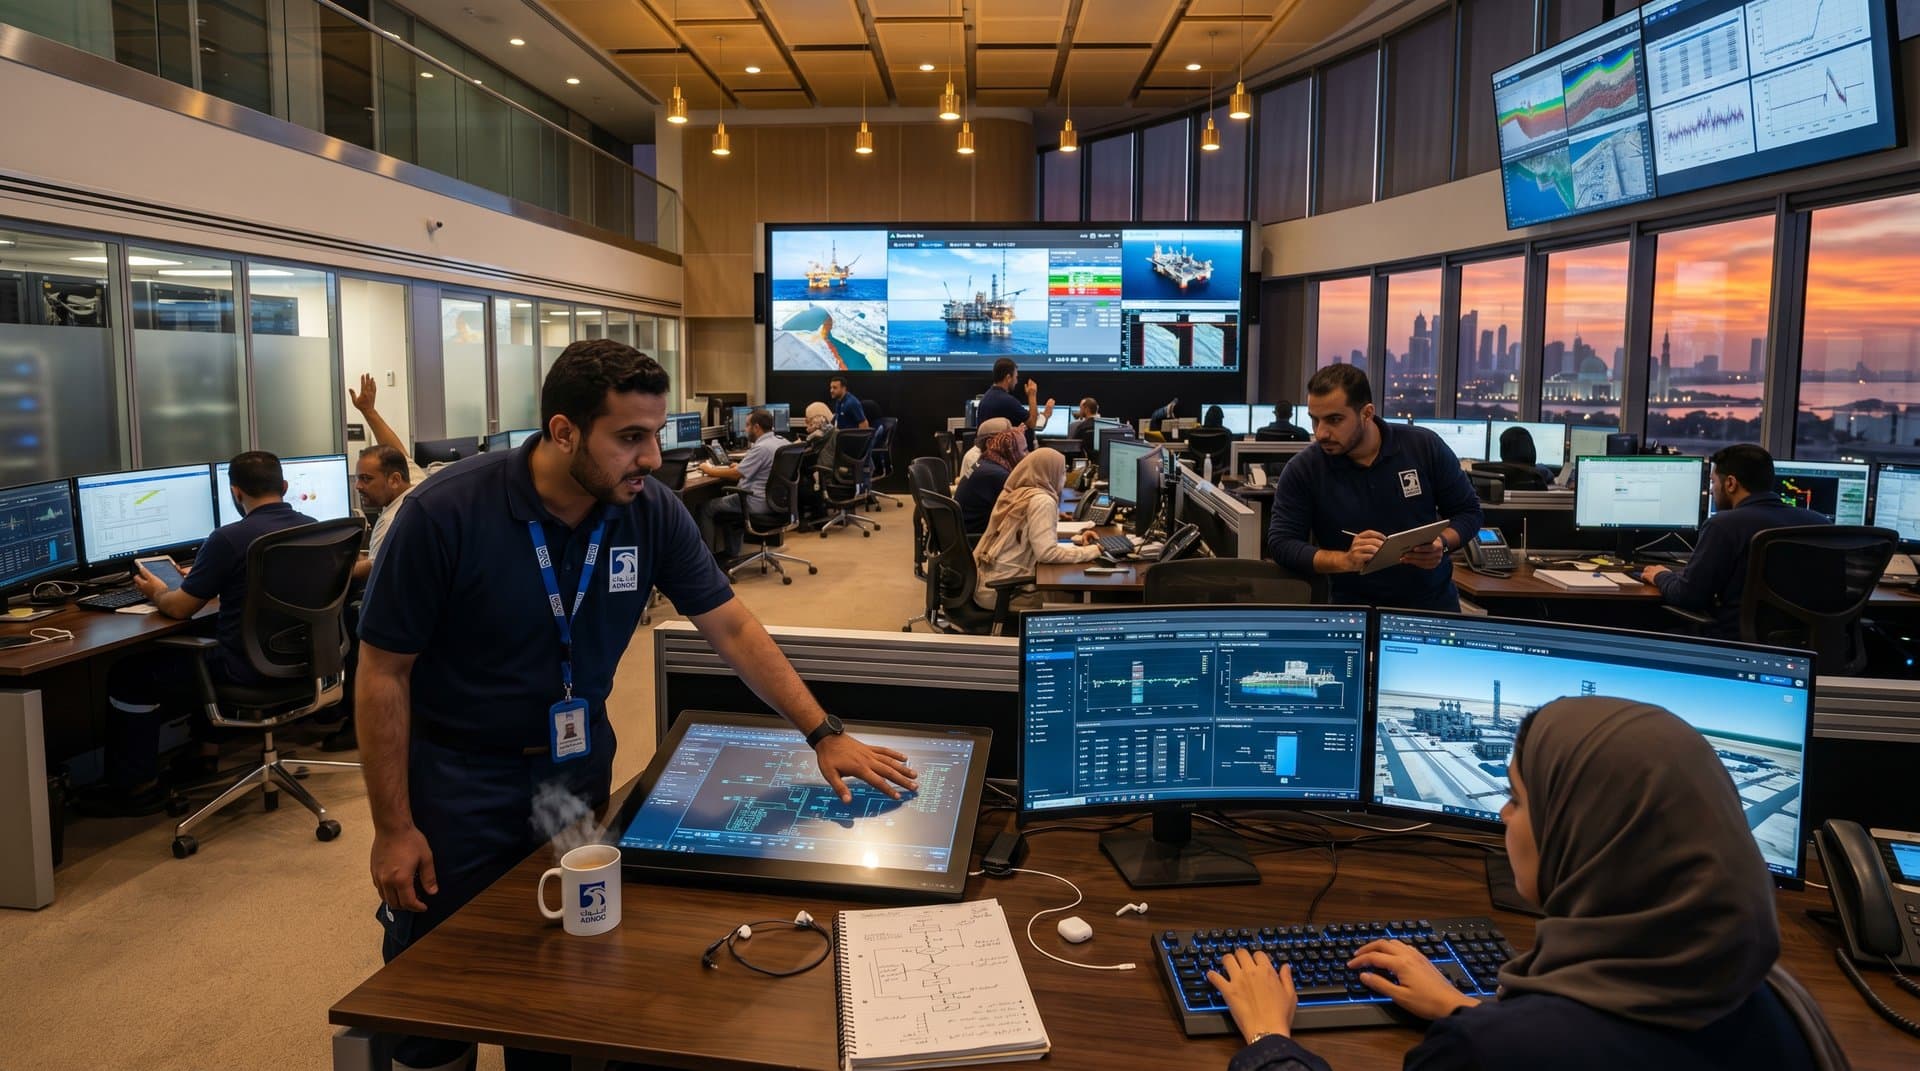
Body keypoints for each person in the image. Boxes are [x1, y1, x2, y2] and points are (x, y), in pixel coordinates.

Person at [357, 339, 916, 1070]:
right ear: (563, 432)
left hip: (575, 770)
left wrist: (822, 730)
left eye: (654, 434)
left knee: (569, 974)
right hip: (456, 778)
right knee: (435, 996)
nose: (653, 457)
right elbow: (380, 675)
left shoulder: (647, 510)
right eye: (629, 438)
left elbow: (734, 627)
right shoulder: (443, 513)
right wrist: (393, 826)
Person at [1209, 695, 1812, 1071]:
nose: (1501, 816)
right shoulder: (1775, 1001)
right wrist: (1465, 1007)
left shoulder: (1489, 1055)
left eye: (1519, 800)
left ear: (1581, 837)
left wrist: (1269, 1038)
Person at [99, 452, 321, 808]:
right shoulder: (314, 527)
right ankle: (205, 753)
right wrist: (209, 577)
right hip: (306, 661)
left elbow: (179, 609)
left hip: (245, 670)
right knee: (216, 638)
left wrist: (156, 589)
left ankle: (135, 788)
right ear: (284, 487)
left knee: (129, 674)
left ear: (235, 492)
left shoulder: (227, 539)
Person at [1267, 364, 1482, 612]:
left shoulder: (1423, 446)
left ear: (1367, 413)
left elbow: (1469, 512)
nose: (1321, 433)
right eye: (1314, 420)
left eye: (1334, 419)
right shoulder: (1304, 469)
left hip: (1431, 607)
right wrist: (1345, 560)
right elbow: (1282, 543)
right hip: (1352, 610)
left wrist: (1441, 544)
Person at [1637, 444, 1828, 637]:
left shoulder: (1723, 525)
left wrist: (1661, 575)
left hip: (1736, 643)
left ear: (1730, 483)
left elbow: (1687, 596)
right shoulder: (1821, 523)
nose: (1711, 491)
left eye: (1713, 482)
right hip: (1813, 644)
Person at [973, 448, 1100, 610]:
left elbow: (1030, 534)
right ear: (1048, 473)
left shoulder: (1017, 493)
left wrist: (1075, 536)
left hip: (986, 584)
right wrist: (1092, 551)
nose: (1064, 479)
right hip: (1009, 592)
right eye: (1062, 473)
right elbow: (1047, 553)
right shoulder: (1042, 501)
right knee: (1082, 601)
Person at [695, 407, 783, 562]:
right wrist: (740, 468)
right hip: (777, 502)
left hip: (755, 502)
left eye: (747, 425)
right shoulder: (781, 443)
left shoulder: (761, 448)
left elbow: (736, 475)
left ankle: (706, 561)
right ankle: (731, 552)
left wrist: (709, 469)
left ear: (756, 427)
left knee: (706, 508)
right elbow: (755, 470)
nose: (745, 429)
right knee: (732, 500)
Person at [954, 418, 1023, 536]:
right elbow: (1019, 512)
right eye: (1009, 439)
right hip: (978, 541)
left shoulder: (985, 463)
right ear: (991, 443)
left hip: (969, 536)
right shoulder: (996, 473)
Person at [977, 357, 1053, 441]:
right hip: (1009, 452)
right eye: (1016, 377)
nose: (1016, 381)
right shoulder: (1007, 401)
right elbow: (1032, 423)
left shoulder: (985, 398)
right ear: (1008, 378)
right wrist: (1032, 395)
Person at [959, 416, 1024, 481]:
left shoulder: (989, 459)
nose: (1011, 443)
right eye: (1006, 439)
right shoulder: (975, 458)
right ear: (989, 442)